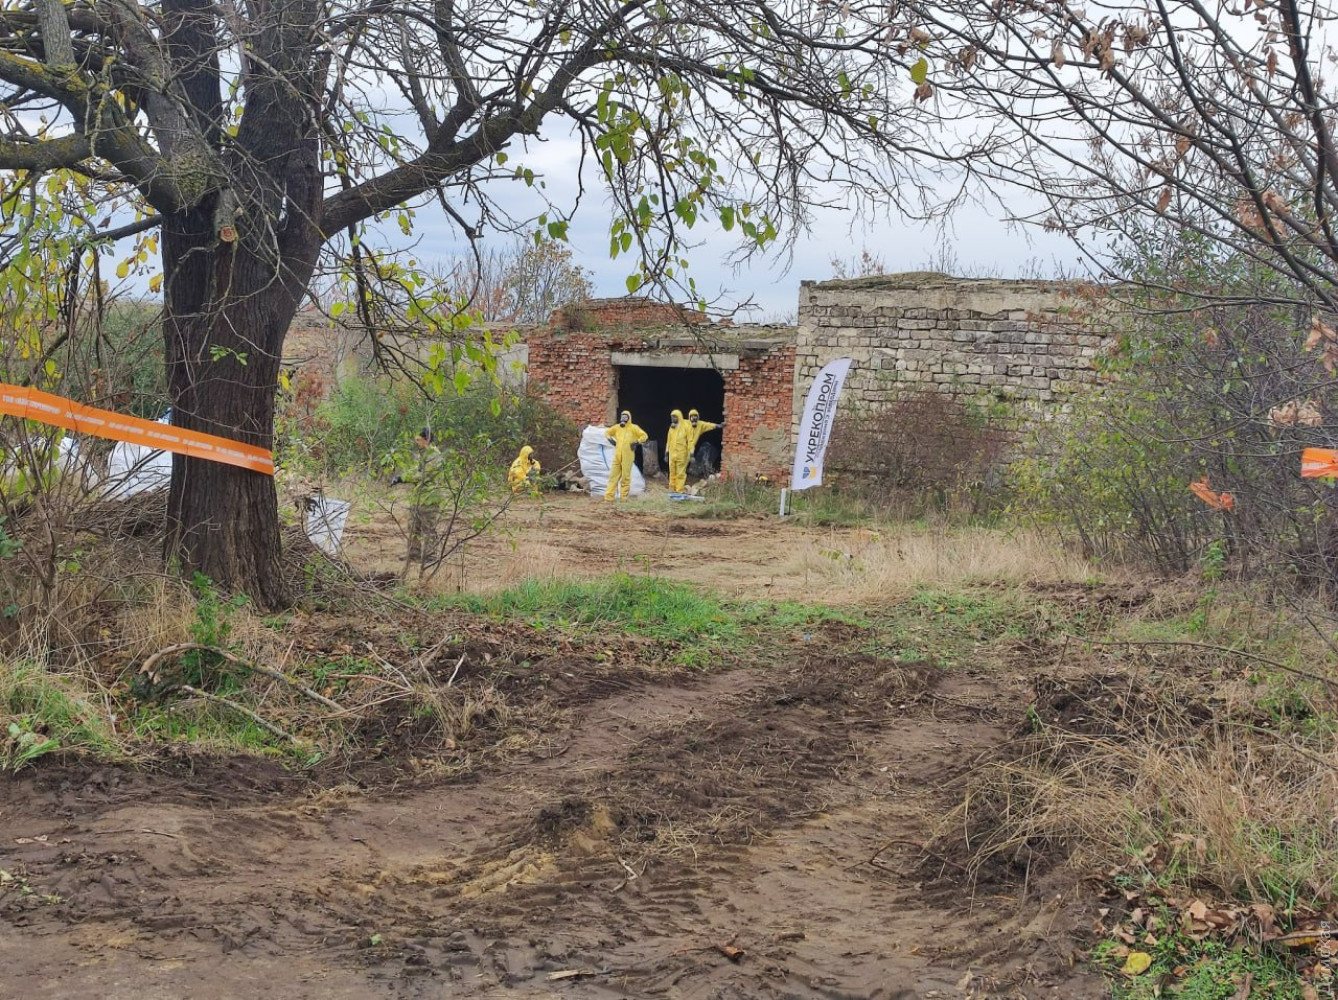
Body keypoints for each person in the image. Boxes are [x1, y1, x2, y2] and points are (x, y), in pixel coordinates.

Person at [604, 409, 647, 500]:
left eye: (625, 417)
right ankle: (609, 497)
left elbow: (644, 436)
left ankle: (623, 497)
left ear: (629, 418)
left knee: (625, 477)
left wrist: (637, 442)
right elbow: (607, 432)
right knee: (613, 477)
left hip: (628, 456)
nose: (623, 418)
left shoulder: (634, 428)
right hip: (617, 456)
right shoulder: (617, 427)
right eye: (622, 416)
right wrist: (610, 439)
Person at [685, 408, 724, 473]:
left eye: (695, 416)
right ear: (689, 417)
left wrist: (719, 426)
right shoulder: (685, 424)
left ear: (698, 417)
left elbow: (709, 425)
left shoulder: (700, 425)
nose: (694, 418)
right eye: (692, 416)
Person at [666, 409, 690, 493]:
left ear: (679, 417)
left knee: (680, 473)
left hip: (681, 454)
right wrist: (666, 452)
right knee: (672, 472)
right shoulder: (671, 428)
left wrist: (690, 453)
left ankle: (679, 490)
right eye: (672, 417)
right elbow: (668, 440)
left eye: (675, 417)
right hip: (672, 455)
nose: (673, 419)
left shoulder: (685, 427)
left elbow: (690, 441)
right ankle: (672, 489)